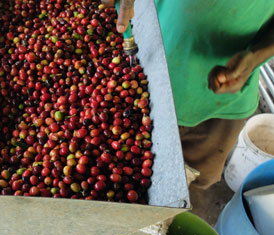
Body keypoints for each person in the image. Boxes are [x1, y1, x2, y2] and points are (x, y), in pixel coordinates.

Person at [103, 0, 274, 189]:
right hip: (142, 69)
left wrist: (256, 56)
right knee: (126, 168)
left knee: (189, 177)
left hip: (218, 106)